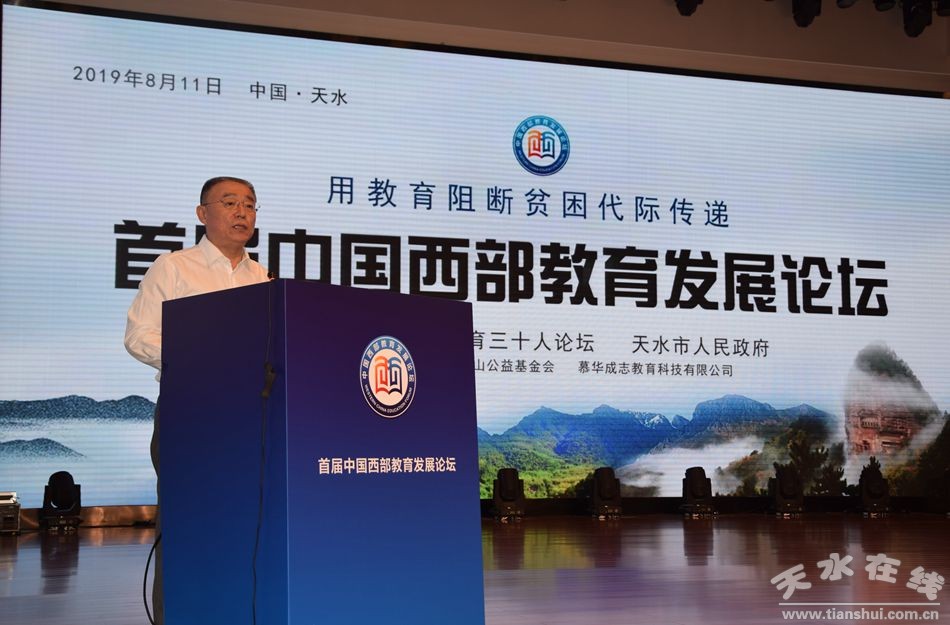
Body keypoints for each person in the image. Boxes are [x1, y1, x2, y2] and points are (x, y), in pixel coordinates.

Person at [124, 176, 269, 624]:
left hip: (251, 420)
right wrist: (201, 356)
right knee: (187, 527)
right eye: (230, 202)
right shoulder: (174, 267)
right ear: (202, 213)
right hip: (191, 416)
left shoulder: (262, 276)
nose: (242, 212)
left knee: (246, 525)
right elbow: (139, 336)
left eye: (250, 204)